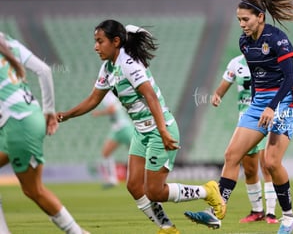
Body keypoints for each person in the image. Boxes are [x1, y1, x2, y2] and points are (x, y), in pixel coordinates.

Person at [56, 20, 225, 234]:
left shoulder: (128, 64)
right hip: (140, 131)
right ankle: (167, 228)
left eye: (100, 41)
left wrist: (163, 131)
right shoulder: (108, 68)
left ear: (115, 41)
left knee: (154, 191)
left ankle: (207, 190)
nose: (95, 47)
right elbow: (93, 100)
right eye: (95, 42)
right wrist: (65, 115)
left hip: (158, 129)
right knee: (134, 186)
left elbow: (151, 97)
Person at [185, 0, 293, 234]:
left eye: (245, 19)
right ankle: (216, 213)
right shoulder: (244, 42)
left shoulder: (278, 39)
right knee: (231, 155)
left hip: (283, 103)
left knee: (270, 162)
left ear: (260, 17)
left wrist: (282, 109)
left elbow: (290, 78)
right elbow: (257, 77)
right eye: (239, 20)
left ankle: (288, 216)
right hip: (259, 104)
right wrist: (259, 104)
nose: (242, 24)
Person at [0, 32, 89, 234]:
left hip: (18, 124)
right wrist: (48, 111)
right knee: (33, 189)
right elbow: (44, 70)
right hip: (28, 117)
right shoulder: (7, 42)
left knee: (34, 190)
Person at [212, 54, 279, 224]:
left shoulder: (269, 59)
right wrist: (217, 96)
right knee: (249, 169)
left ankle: (271, 213)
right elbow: (222, 89)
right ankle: (257, 211)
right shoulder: (235, 63)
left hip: (265, 118)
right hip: (245, 122)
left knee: (266, 165)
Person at [91, 90, 134, 188]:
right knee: (105, 153)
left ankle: (146, 175)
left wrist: (99, 113)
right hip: (117, 129)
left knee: (136, 153)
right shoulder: (108, 96)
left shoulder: (108, 96)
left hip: (125, 128)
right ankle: (112, 179)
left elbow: (112, 109)